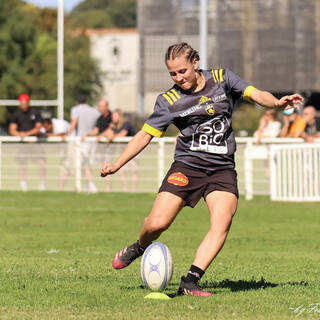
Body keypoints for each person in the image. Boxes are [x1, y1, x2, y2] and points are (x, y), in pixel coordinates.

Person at [100, 42, 304, 296]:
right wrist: (117, 164)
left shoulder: (222, 78)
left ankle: (191, 281)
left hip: (221, 169)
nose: (178, 78)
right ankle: (139, 246)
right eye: (172, 74)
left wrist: (276, 103)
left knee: (222, 222)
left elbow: (255, 94)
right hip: (188, 166)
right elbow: (144, 135)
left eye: (182, 71)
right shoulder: (168, 100)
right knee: (157, 223)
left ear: (195, 63)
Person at [9, 93, 46, 191]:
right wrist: (19, 135)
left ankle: (42, 184)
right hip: (23, 144)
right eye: (22, 103)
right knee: (22, 163)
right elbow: (12, 130)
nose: (24, 105)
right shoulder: (16, 114)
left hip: (35, 143)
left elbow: (38, 127)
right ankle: (23, 185)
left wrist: (27, 134)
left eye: (25, 103)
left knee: (41, 162)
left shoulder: (35, 112)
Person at [64, 96, 100, 193]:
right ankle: (87, 186)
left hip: (81, 141)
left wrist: (67, 134)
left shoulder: (75, 109)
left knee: (83, 165)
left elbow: (74, 122)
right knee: (87, 164)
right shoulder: (95, 111)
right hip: (92, 141)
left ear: (77, 102)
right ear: (86, 101)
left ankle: (91, 186)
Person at [103, 109, 136, 192]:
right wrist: (103, 135)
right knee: (121, 170)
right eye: (112, 116)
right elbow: (106, 132)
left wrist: (112, 137)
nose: (113, 118)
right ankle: (125, 189)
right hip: (124, 151)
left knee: (134, 170)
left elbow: (123, 134)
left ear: (120, 116)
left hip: (134, 150)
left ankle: (134, 190)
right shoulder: (113, 125)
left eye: (115, 116)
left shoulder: (126, 124)